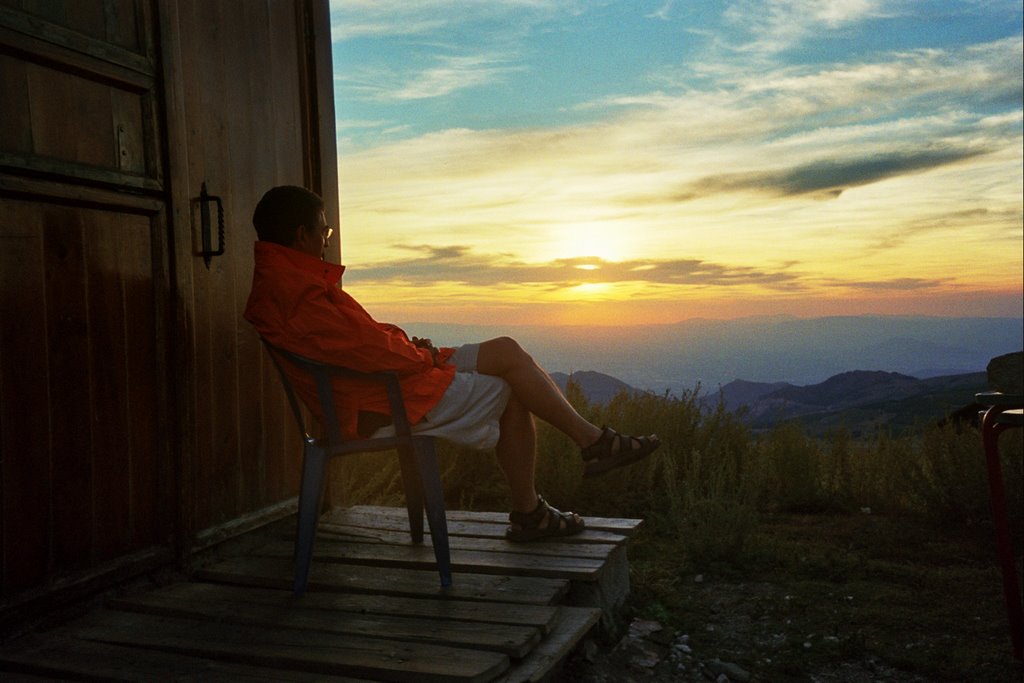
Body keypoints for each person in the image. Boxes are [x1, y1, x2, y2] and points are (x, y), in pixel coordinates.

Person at [244, 185, 660, 541]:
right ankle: (533, 510)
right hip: (382, 401)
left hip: (384, 382)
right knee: (513, 391)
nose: (327, 241)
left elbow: (360, 342)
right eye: (325, 231)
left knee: (505, 350)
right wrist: (420, 354)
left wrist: (409, 345)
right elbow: (369, 352)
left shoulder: (287, 283)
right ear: (302, 235)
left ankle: (591, 443)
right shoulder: (300, 296)